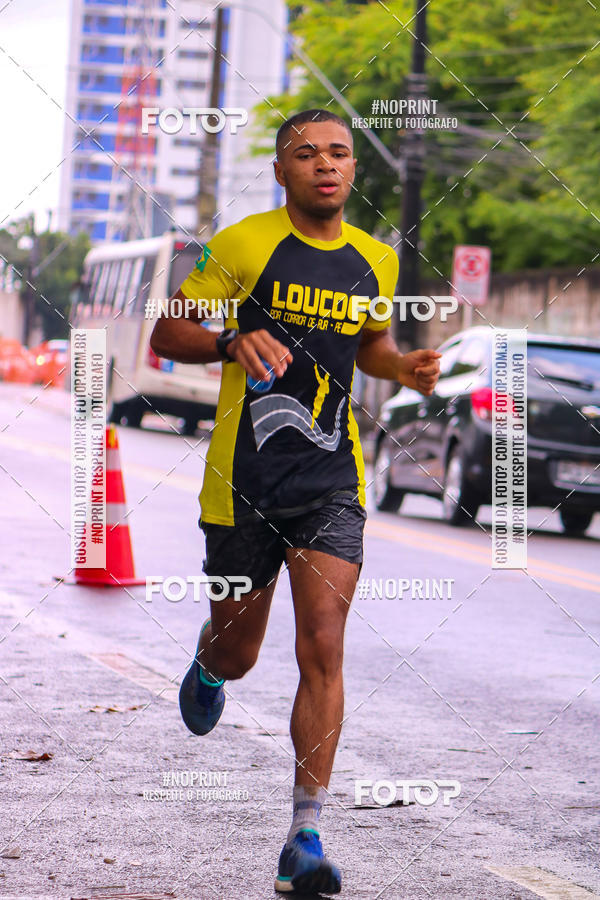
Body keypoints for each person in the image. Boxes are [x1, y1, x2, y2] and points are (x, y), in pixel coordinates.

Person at [150, 108, 441, 895]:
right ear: (281, 171)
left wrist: (401, 366)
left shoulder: (377, 259)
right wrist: (227, 340)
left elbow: (368, 341)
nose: (325, 165)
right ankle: (210, 665)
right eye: (306, 154)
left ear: (353, 172)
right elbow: (165, 334)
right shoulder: (242, 243)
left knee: (324, 642)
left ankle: (303, 837)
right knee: (242, 652)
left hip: (330, 482)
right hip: (243, 480)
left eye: (339, 154)